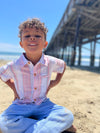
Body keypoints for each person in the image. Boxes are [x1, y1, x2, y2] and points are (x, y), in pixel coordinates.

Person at [0, 18, 76, 133]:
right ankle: (48, 127)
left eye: (38, 35)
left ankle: (33, 125)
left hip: (43, 104)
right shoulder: (14, 65)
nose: (32, 37)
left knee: (67, 115)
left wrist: (55, 82)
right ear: (21, 44)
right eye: (27, 36)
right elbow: (2, 73)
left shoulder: (50, 62)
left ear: (45, 44)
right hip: (21, 105)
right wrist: (14, 88)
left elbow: (63, 65)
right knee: (3, 122)